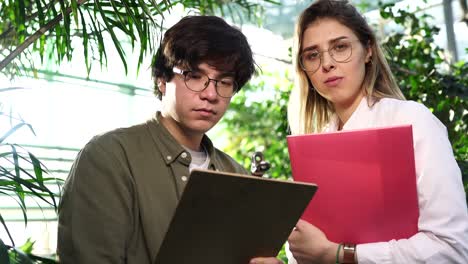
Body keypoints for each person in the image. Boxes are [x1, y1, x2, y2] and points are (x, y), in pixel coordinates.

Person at [250, 0, 468, 263]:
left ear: (368, 51)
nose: (327, 63)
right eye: (312, 55)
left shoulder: (413, 120)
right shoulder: (313, 145)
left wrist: (340, 254)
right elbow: (312, 251)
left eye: (340, 47)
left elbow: (452, 249)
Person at [57, 15, 258, 263]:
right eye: (194, 76)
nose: (210, 94)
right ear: (162, 80)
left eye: (225, 82)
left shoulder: (237, 175)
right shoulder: (109, 157)